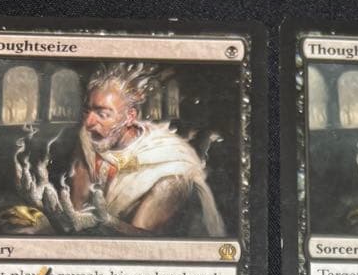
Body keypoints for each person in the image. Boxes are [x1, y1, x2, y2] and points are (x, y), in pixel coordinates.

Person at [15, 61, 225, 235]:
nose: (89, 122)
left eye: (103, 114)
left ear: (130, 117)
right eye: (87, 111)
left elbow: (142, 245)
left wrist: (105, 222)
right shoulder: (91, 137)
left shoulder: (170, 170)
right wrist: (50, 213)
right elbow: (77, 212)